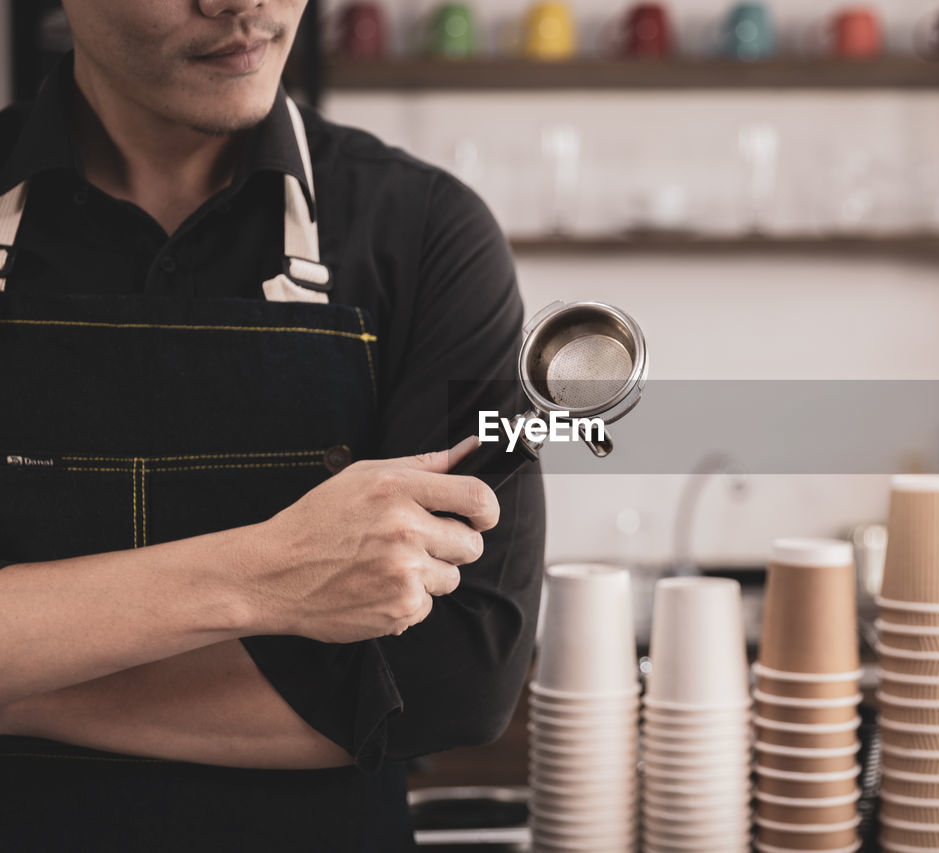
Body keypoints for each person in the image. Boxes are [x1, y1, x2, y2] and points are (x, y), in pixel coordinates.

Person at [0, 1, 546, 850]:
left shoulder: (431, 237)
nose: (245, 2)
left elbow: (457, 675)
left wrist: (24, 678)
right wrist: (268, 575)